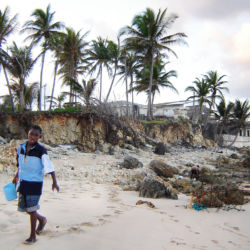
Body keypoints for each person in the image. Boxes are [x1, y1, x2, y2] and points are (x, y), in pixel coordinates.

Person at [12, 125, 59, 244]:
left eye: (35, 135)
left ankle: (33, 236)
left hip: (35, 184)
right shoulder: (21, 148)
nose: (32, 137)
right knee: (26, 209)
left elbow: (49, 166)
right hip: (23, 182)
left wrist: (54, 182)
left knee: (32, 209)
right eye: (31, 134)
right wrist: (16, 176)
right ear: (27, 133)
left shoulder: (41, 150)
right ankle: (42, 219)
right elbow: (20, 165)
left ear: (39, 137)